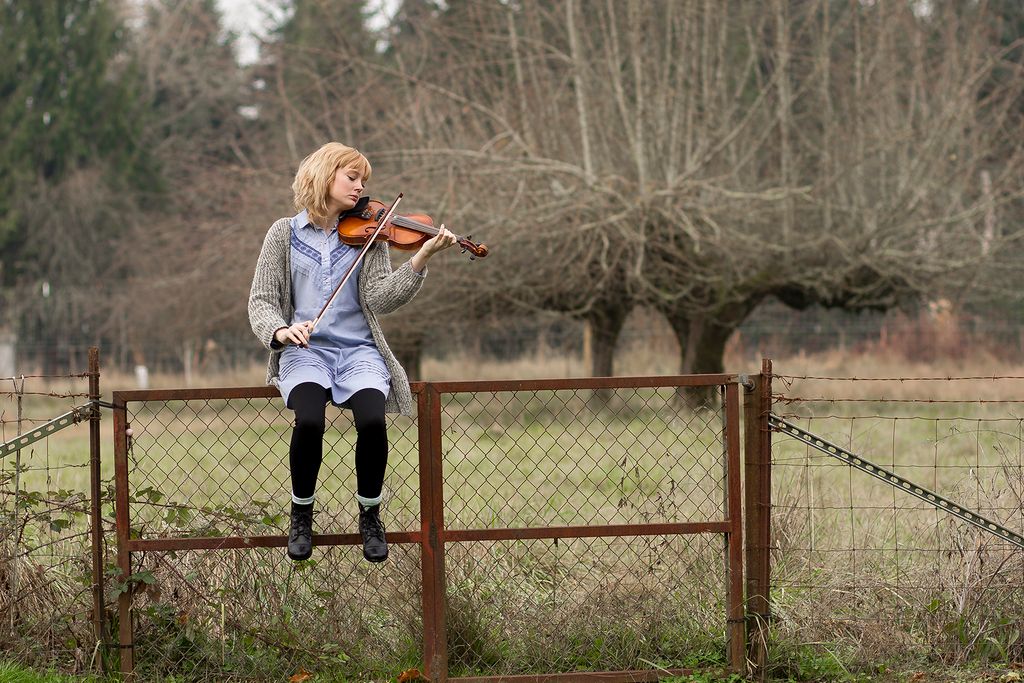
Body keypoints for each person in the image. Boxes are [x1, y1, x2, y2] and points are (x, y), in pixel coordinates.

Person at [248, 142, 455, 562]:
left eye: (363, 180)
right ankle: (301, 515)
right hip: (306, 351)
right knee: (309, 420)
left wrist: (420, 258)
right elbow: (261, 301)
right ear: (325, 176)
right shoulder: (283, 234)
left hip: (359, 350)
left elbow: (379, 298)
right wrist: (282, 330)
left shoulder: (370, 236)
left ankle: (370, 515)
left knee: (373, 421)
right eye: (352, 177)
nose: (360, 188)